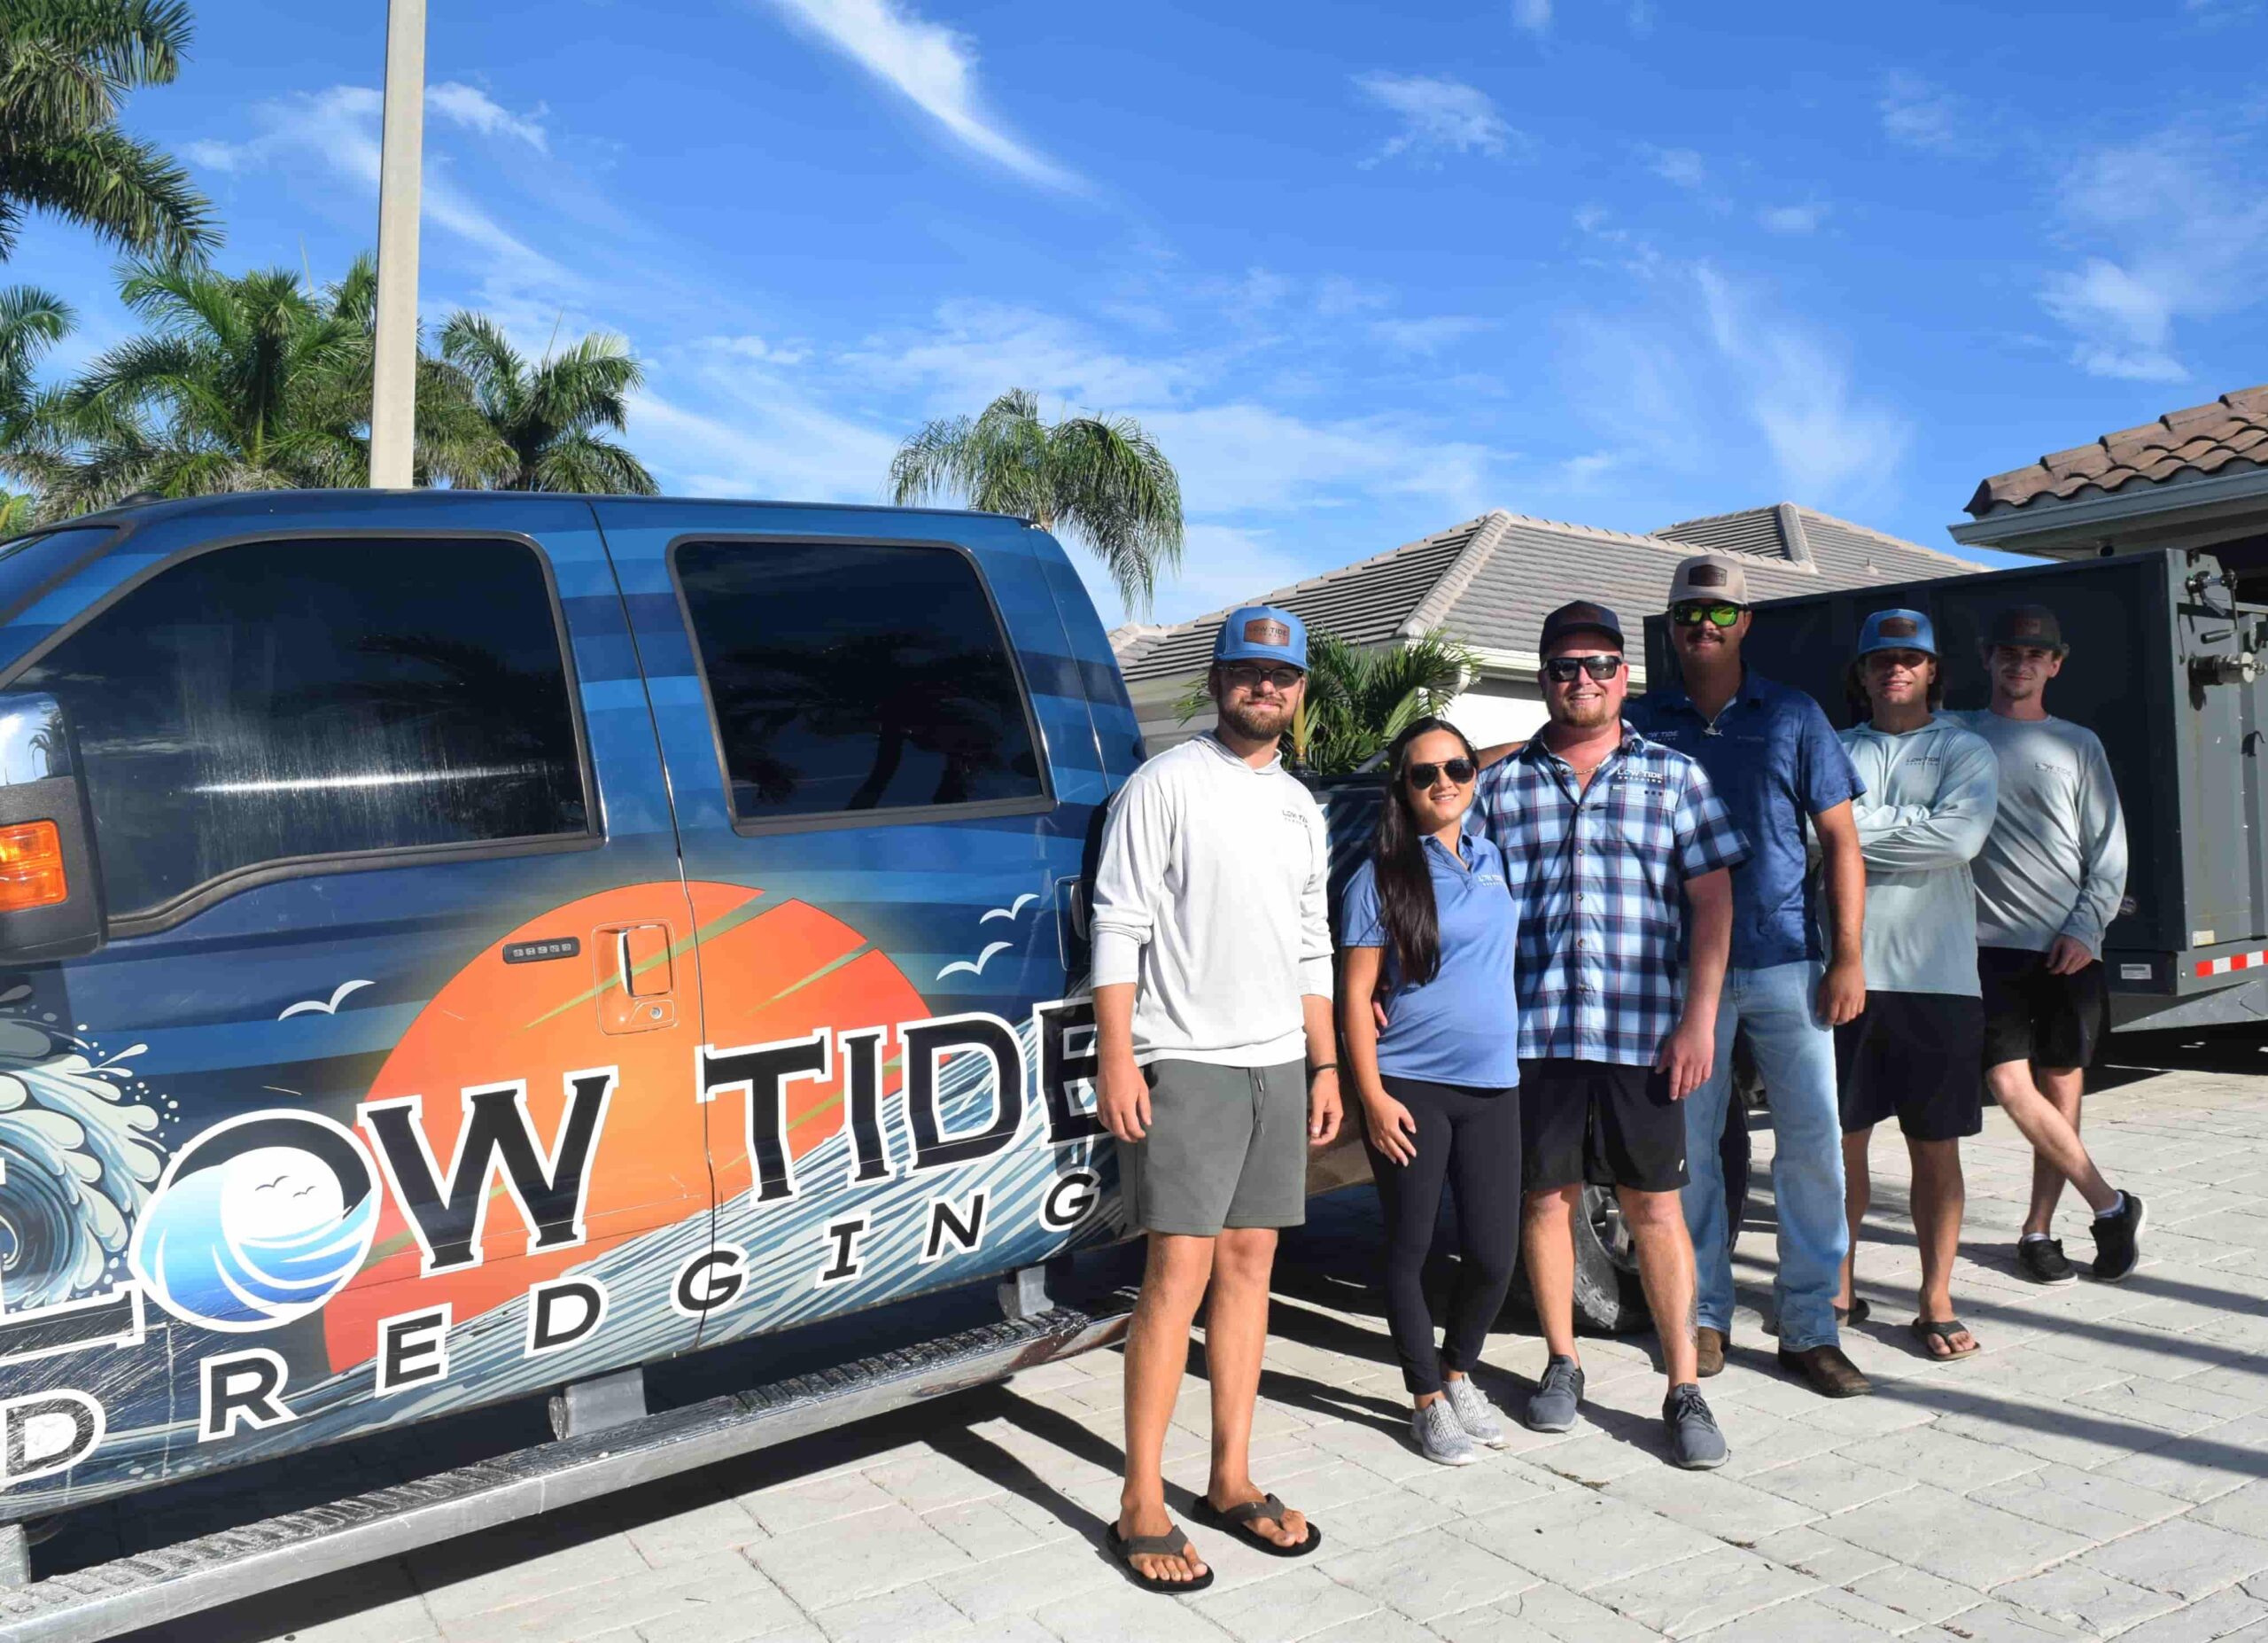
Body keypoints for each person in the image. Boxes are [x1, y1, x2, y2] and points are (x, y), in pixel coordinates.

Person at [1090, 603, 1343, 1593]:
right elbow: (1117, 924)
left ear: (1299, 693)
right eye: (1247, 673)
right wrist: (1119, 1056)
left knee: (1250, 1268)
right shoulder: (1165, 785)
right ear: (1216, 679)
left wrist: (1323, 1065)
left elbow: (1312, 944)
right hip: (1184, 1061)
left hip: (1278, 1064)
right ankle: (1139, 1501)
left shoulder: (1299, 807)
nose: (1263, 689)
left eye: (1281, 678)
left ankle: (1229, 1478)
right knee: (1176, 1277)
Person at [1467, 601, 1745, 1468]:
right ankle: (1561, 1362)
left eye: (1598, 665)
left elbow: (1711, 903)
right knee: (1544, 1201)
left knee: (1654, 1208)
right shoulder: (1501, 788)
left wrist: (1699, 1018)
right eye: (1562, 667)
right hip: (1535, 1033)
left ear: (1625, 675)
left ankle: (1681, 1387)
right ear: (1544, 677)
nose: (1580, 680)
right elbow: (1460, 899)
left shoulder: (1675, 779)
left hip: (1642, 1034)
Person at [1626, 554, 1874, 1398]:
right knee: (1688, 1152)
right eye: (1690, 615)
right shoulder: (1641, 719)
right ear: (1671, 627)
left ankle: (1809, 1326)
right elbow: (1558, 746)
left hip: (1785, 964)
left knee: (1810, 1150)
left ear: (1746, 624)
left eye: (1721, 615)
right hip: (1679, 974)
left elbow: (1841, 842)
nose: (1704, 627)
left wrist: (1848, 957)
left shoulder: (1794, 716)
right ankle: (1705, 1317)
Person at [1340, 717, 1523, 1468]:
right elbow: (1353, 997)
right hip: (1410, 1085)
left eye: (1458, 767)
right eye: (1424, 773)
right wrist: (1372, 1097)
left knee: (1492, 1255)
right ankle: (1425, 1400)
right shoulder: (1379, 877)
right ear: (1403, 790)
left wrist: (1508, 746)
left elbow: (1516, 751)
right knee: (1411, 1248)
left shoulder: (1494, 859)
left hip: (1495, 1085)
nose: (1444, 782)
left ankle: (1458, 1373)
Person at [1947, 603, 2144, 1282]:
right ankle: (2111, 1204)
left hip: (2067, 948)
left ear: (2055, 664)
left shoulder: (2078, 744)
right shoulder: (1955, 735)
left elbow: (2107, 850)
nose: (2020, 662)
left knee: (2061, 1094)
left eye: (2035, 654)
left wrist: (2086, 930)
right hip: (1982, 948)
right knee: (2008, 1084)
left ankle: (2038, 1233)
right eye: (2008, 651)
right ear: (1987, 657)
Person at [1831, 611, 2000, 1359]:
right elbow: (1809, 833)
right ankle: (1838, 1284)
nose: (1894, 669)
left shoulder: (1968, 749)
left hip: (1938, 980)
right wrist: (1908, 824)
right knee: (1842, 1144)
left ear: (1933, 670)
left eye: (1910, 658)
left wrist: (1855, 831)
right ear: (1862, 675)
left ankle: (1935, 1297)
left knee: (1936, 1149)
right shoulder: (1834, 749)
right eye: (1880, 660)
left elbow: (1960, 839)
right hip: (1847, 970)